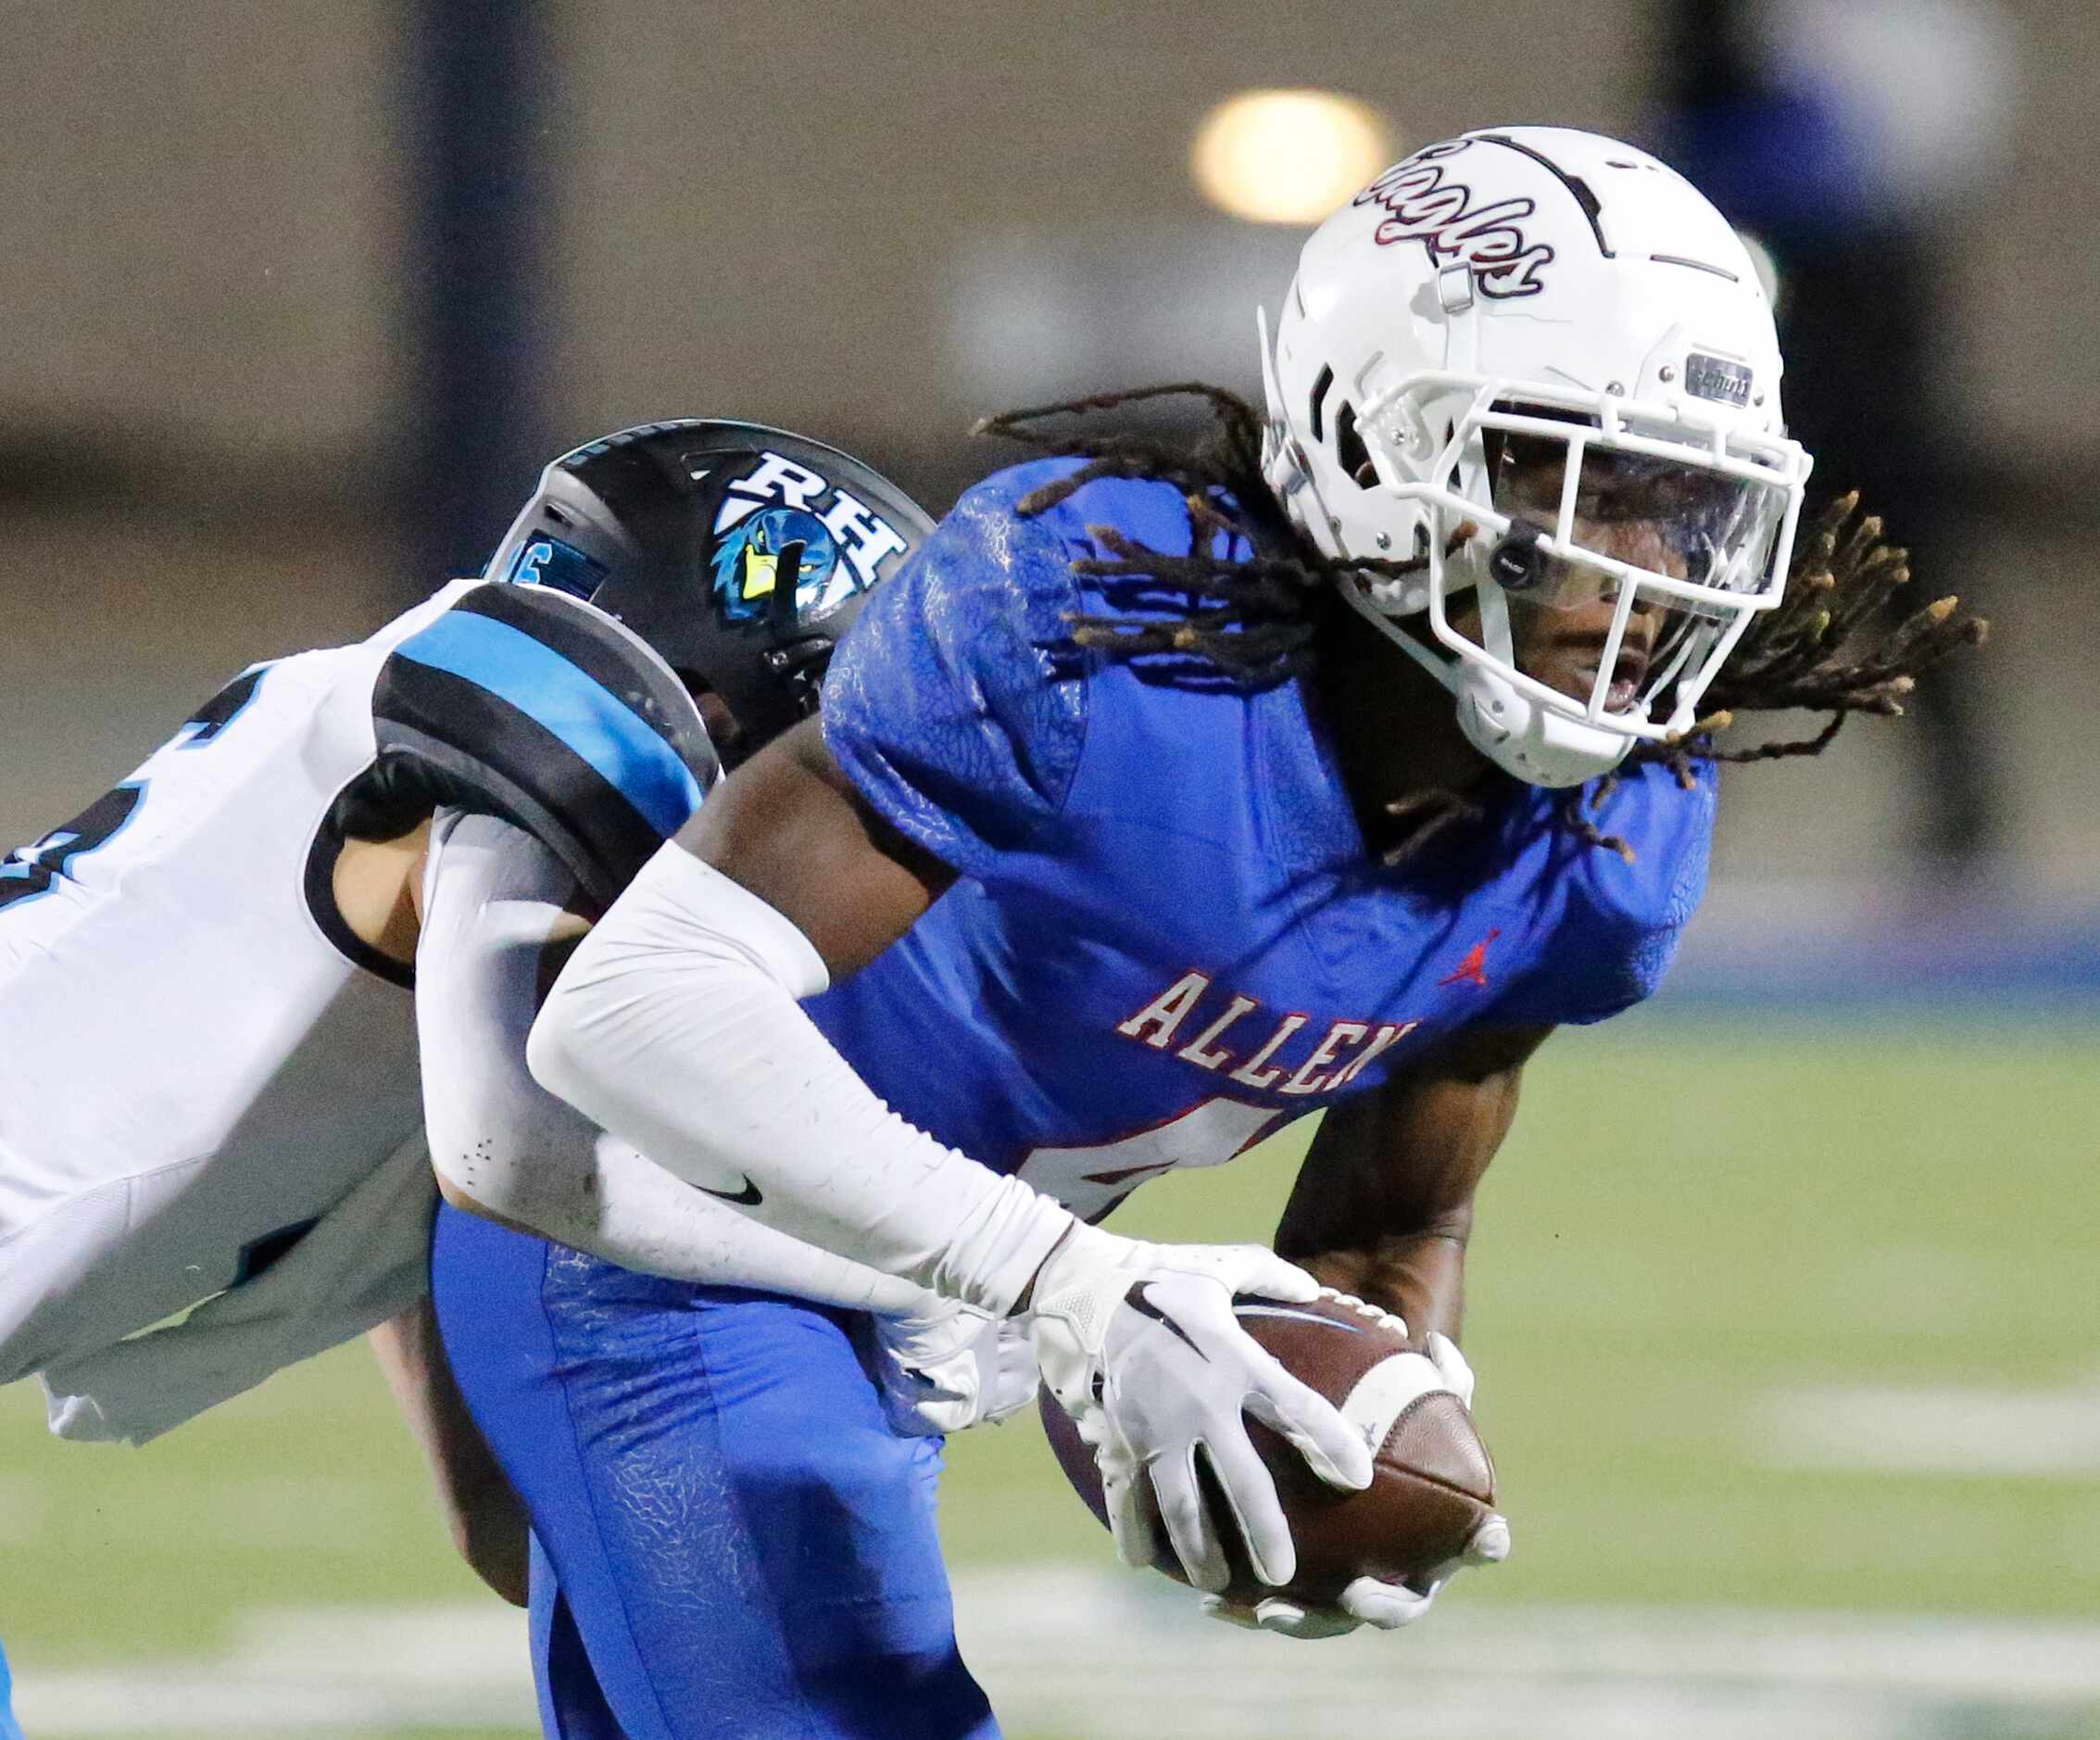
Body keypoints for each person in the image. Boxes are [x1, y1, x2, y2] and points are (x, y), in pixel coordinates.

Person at [441, 125, 1980, 1736]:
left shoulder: (1607, 836)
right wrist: (1073, 1285)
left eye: (1686, 514)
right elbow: (629, 1007)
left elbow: (1391, 1222)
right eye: (1565, 477)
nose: (1637, 576)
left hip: (940, 1284)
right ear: (1378, 443)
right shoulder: (1109, 628)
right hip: (654, 1226)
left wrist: (1344, 1409)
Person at [0, 420, 977, 1618]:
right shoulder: (541, 705)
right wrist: (953, 1267)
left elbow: (497, 1522)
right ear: (727, 697)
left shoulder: (457, 869)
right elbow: (503, 1149)